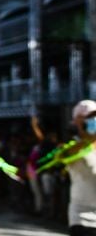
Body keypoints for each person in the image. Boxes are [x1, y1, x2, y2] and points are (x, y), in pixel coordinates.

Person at [62, 99, 96, 235]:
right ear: (77, 122)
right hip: (83, 219)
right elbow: (64, 156)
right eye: (89, 117)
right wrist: (90, 137)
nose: (93, 120)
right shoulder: (72, 146)